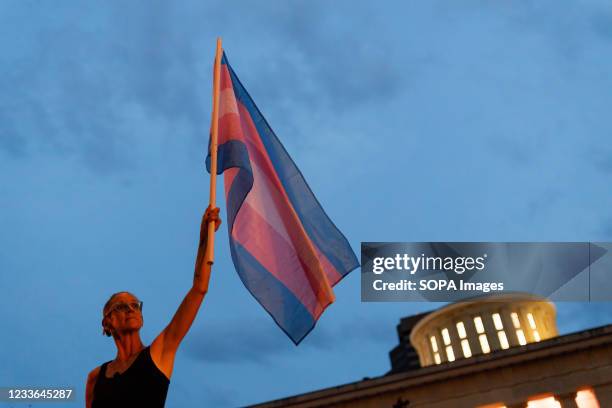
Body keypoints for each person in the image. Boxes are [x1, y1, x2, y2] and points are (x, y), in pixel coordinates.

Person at [85, 206, 221, 408]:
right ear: (107, 323)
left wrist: (204, 239)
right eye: (121, 307)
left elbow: (199, 289)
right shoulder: (96, 377)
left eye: (135, 305)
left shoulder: (160, 352)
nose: (131, 309)